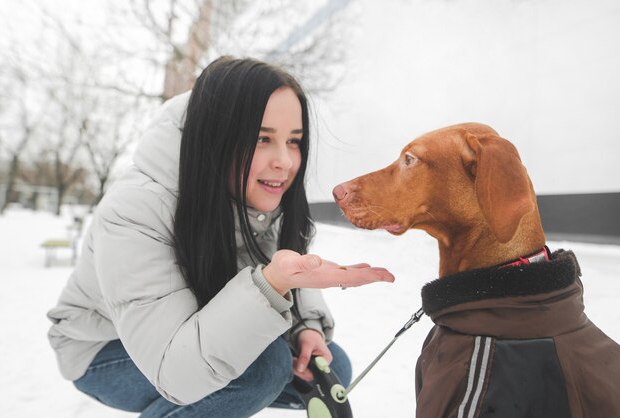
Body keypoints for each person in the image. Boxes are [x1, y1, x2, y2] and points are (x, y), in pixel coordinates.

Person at [46, 56, 394, 417]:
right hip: (103, 348)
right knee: (263, 368)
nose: (286, 162)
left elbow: (289, 262)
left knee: (329, 369)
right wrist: (270, 284)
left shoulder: (259, 191)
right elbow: (175, 373)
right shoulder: (135, 210)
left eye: (294, 141)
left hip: (191, 327)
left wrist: (305, 329)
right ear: (216, 134)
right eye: (262, 138)